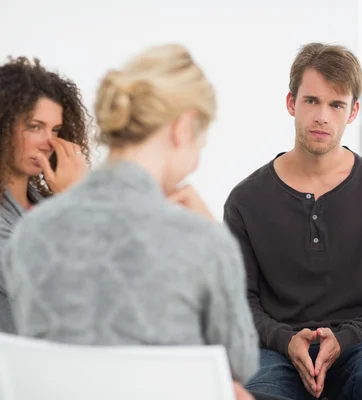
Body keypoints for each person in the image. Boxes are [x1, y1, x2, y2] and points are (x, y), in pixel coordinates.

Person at [1, 44, 260, 399]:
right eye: (200, 143)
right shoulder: (204, 242)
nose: (196, 160)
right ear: (182, 128)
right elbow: (241, 364)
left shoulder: (31, 233)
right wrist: (216, 232)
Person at [224, 42, 362, 400]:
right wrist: (284, 339)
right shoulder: (246, 199)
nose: (322, 116)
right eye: (311, 101)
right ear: (291, 103)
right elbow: (240, 299)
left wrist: (345, 339)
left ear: (353, 111)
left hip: (360, 345)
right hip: (274, 350)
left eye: (336, 104)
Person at [0, 56, 90, 333]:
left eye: (56, 130)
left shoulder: (47, 204)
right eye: (34, 126)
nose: (49, 142)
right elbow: (55, 289)